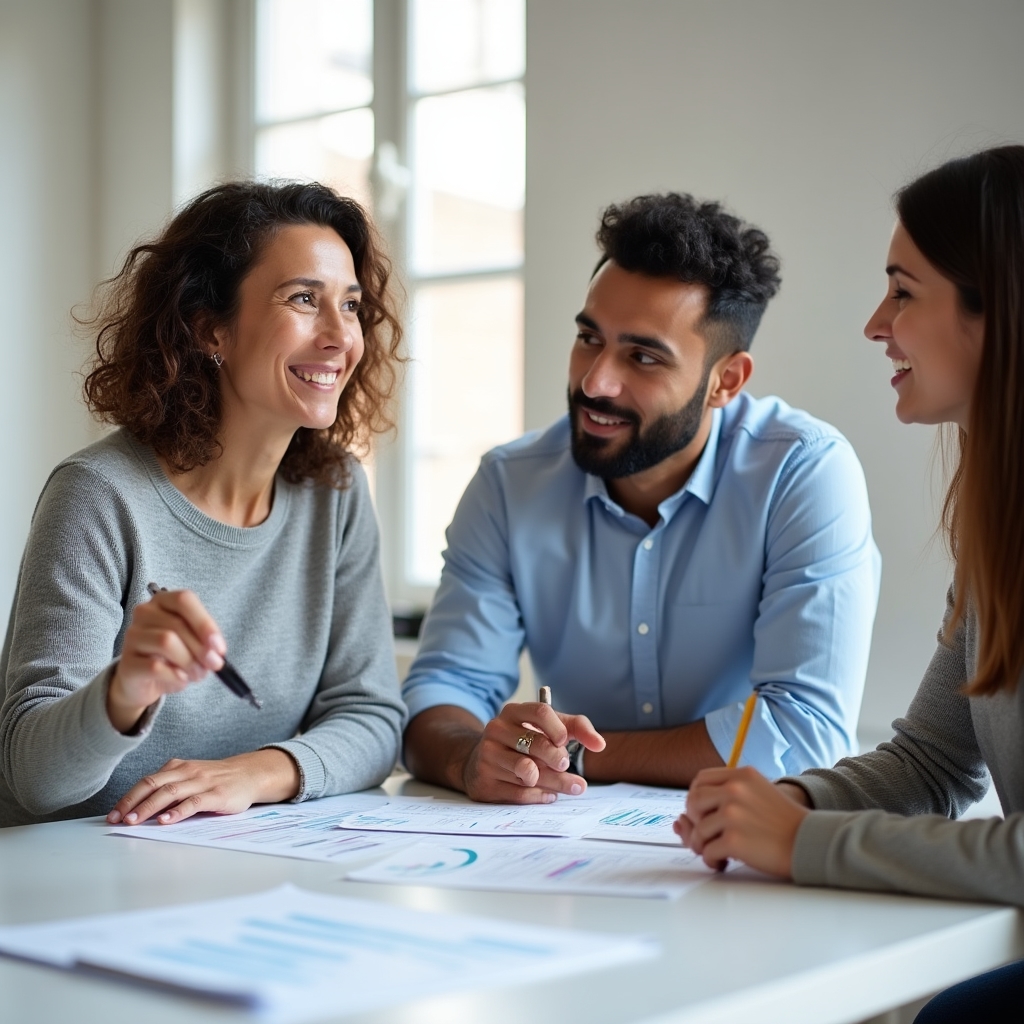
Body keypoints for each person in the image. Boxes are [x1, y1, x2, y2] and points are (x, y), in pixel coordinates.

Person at [675, 145, 1024, 1023]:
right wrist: (787, 801)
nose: (877, 323)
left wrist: (806, 841)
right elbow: (934, 762)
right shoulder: (998, 534)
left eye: (904, 291)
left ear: (1000, 310)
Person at [402, 193, 881, 803]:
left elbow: (804, 733)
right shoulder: (508, 483)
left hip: (736, 848)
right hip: (556, 853)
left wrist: (570, 757)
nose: (594, 381)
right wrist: (475, 756)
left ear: (724, 381)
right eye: (588, 338)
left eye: (644, 356)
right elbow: (440, 693)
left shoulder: (803, 471)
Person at [0, 181, 407, 828]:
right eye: (304, 299)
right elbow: (34, 779)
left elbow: (374, 716)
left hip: (242, 868)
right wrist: (123, 692)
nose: (340, 336)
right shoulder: (99, 496)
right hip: (84, 880)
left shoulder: (336, 492)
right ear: (208, 327)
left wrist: (256, 772)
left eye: (351, 306)